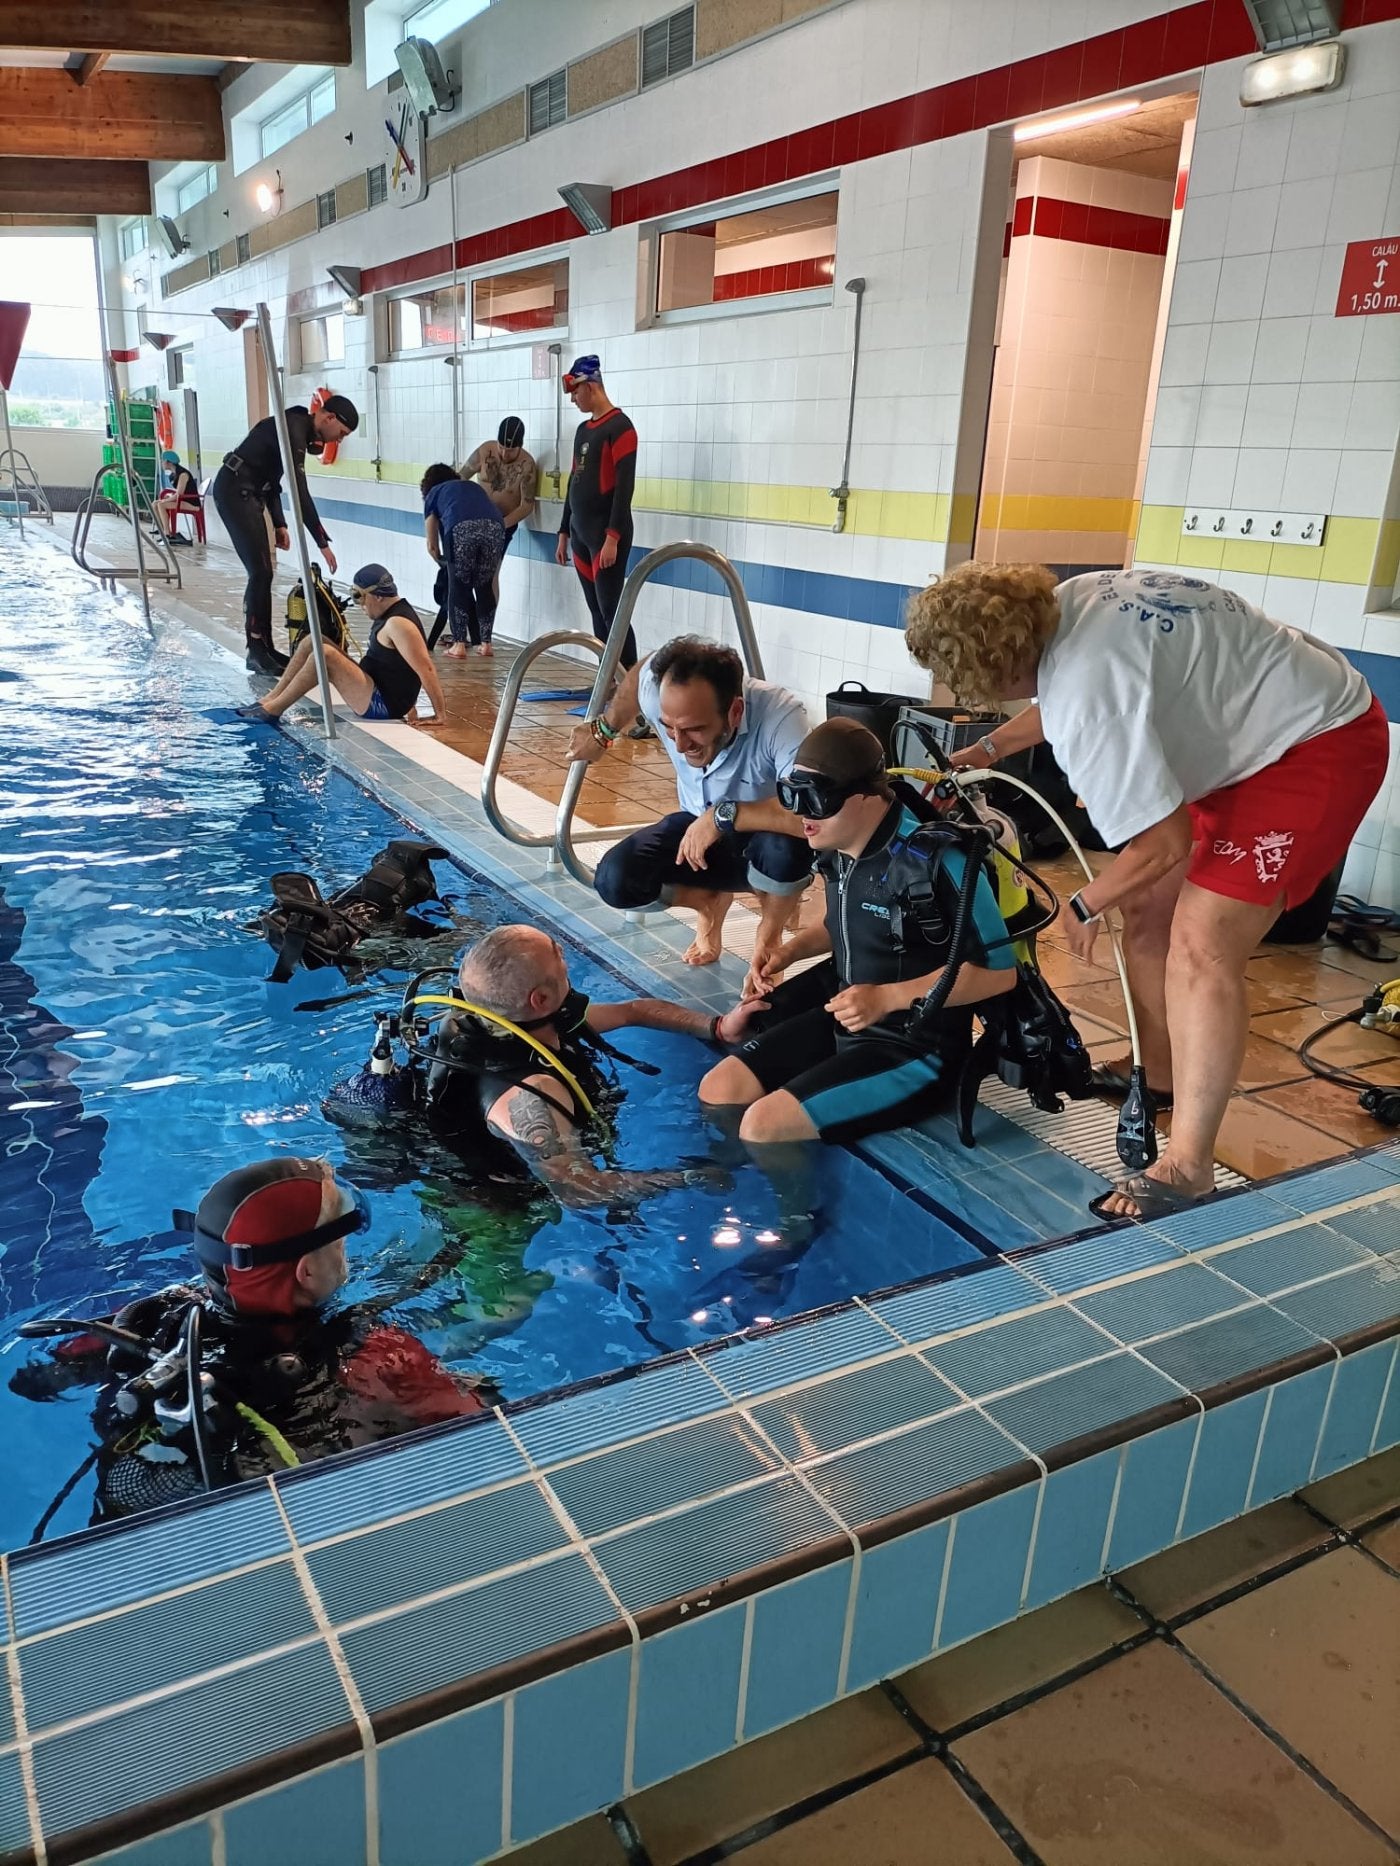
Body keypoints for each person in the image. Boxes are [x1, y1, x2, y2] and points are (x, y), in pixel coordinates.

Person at [907, 563, 1388, 1220]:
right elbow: (1072, 693)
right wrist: (988, 750)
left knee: (1201, 944)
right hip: (1252, 731)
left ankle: (1188, 1165)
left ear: (996, 668)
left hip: (1315, 745)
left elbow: (1161, 844)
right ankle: (1157, 1071)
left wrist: (1083, 902)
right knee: (1147, 910)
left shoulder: (1088, 699)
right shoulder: (1069, 600)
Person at [9, 1157, 491, 1526]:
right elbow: (484, 1433)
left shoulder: (153, 1318)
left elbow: (44, 1376)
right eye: (340, 1244)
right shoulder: (378, 1352)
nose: (347, 1254)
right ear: (306, 1272)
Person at [699, 718, 1017, 1148]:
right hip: (847, 1016)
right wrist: (788, 951)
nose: (802, 816)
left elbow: (999, 972)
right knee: (720, 1088)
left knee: (763, 1125)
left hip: (915, 1047)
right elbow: (846, 922)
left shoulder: (941, 861)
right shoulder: (837, 846)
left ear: (867, 795)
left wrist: (887, 997)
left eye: (816, 801)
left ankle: (795, 1217)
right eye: (794, 796)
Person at [398, 925, 762, 1207]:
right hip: (489, 1205)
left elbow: (632, 1011)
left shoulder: (518, 1017)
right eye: (557, 954)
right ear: (539, 999)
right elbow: (578, 1192)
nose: (565, 957)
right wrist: (687, 1177)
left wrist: (717, 1027)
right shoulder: (532, 1096)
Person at [570, 637, 814, 966]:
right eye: (669, 728)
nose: (681, 746)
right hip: (695, 831)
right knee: (615, 880)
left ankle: (769, 936)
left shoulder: (781, 716)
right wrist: (604, 729)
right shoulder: (661, 693)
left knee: (785, 851)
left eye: (694, 729)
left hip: (763, 842)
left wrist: (723, 816)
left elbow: (811, 814)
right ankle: (707, 903)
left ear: (735, 712)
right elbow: (642, 671)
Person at [211, 395, 358, 675]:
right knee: (260, 572)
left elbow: (274, 479)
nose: (336, 441)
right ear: (328, 418)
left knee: (264, 572)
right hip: (234, 491)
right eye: (340, 434)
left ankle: (263, 648)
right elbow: (298, 490)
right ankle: (256, 650)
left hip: (251, 493)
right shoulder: (292, 428)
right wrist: (322, 542)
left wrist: (279, 523)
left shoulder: (298, 429)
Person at [239, 563, 446, 728]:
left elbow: (425, 668)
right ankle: (270, 699)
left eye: (361, 598)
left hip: (382, 705)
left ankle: (274, 709)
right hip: (375, 687)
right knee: (313, 640)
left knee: (326, 655)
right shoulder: (389, 614)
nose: (361, 606)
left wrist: (439, 714)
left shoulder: (398, 624)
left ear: (379, 596)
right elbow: (398, 667)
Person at [555, 355, 639, 665]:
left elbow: (624, 488)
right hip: (580, 534)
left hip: (606, 534)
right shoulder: (582, 430)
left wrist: (613, 537)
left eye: (575, 392)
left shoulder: (620, 427)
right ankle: (608, 681)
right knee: (595, 611)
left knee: (612, 612)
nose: (574, 399)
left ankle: (629, 683)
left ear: (590, 386)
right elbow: (573, 482)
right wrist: (563, 531)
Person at [420, 463, 506, 659]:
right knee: (485, 585)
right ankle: (486, 644)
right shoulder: (471, 486)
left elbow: (432, 546)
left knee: (458, 585)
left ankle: (458, 645)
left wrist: (445, 563)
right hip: (495, 527)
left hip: (461, 528)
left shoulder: (434, 493)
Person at [464, 416, 538, 595]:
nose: (505, 454)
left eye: (511, 450)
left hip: (502, 525)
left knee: (489, 577)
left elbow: (526, 506)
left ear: (520, 446)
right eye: (502, 447)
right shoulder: (484, 451)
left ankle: (487, 621)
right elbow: (461, 478)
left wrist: (501, 524)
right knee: (466, 573)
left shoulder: (527, 466)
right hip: (476, 520)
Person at [155, 449, 201, 544]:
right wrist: (168, 497)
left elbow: (179, 494)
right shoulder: (173, 475)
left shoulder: (183, 474)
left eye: (162, 461)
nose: (162, 463)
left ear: (168, 462)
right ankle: (165, 530)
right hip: (182, 500)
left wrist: (166, 501)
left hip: (191, 503)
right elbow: (177, 493)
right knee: (155, 504)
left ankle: (167, 534)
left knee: (161, 505)